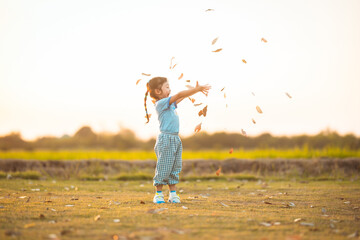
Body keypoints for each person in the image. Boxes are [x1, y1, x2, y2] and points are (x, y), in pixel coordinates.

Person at [144, 77, 211, 203]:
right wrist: (196, 89)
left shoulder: (169, 105)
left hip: (175, 139)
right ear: (158, 91)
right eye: (167, 87)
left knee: (175, 167)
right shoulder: (161, 104)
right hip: (166, 139)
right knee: (164, 167)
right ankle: (158, 194)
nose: (170, 89)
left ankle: (173, 194)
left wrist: (194, 91)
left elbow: (181, 97)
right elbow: (179, 95)